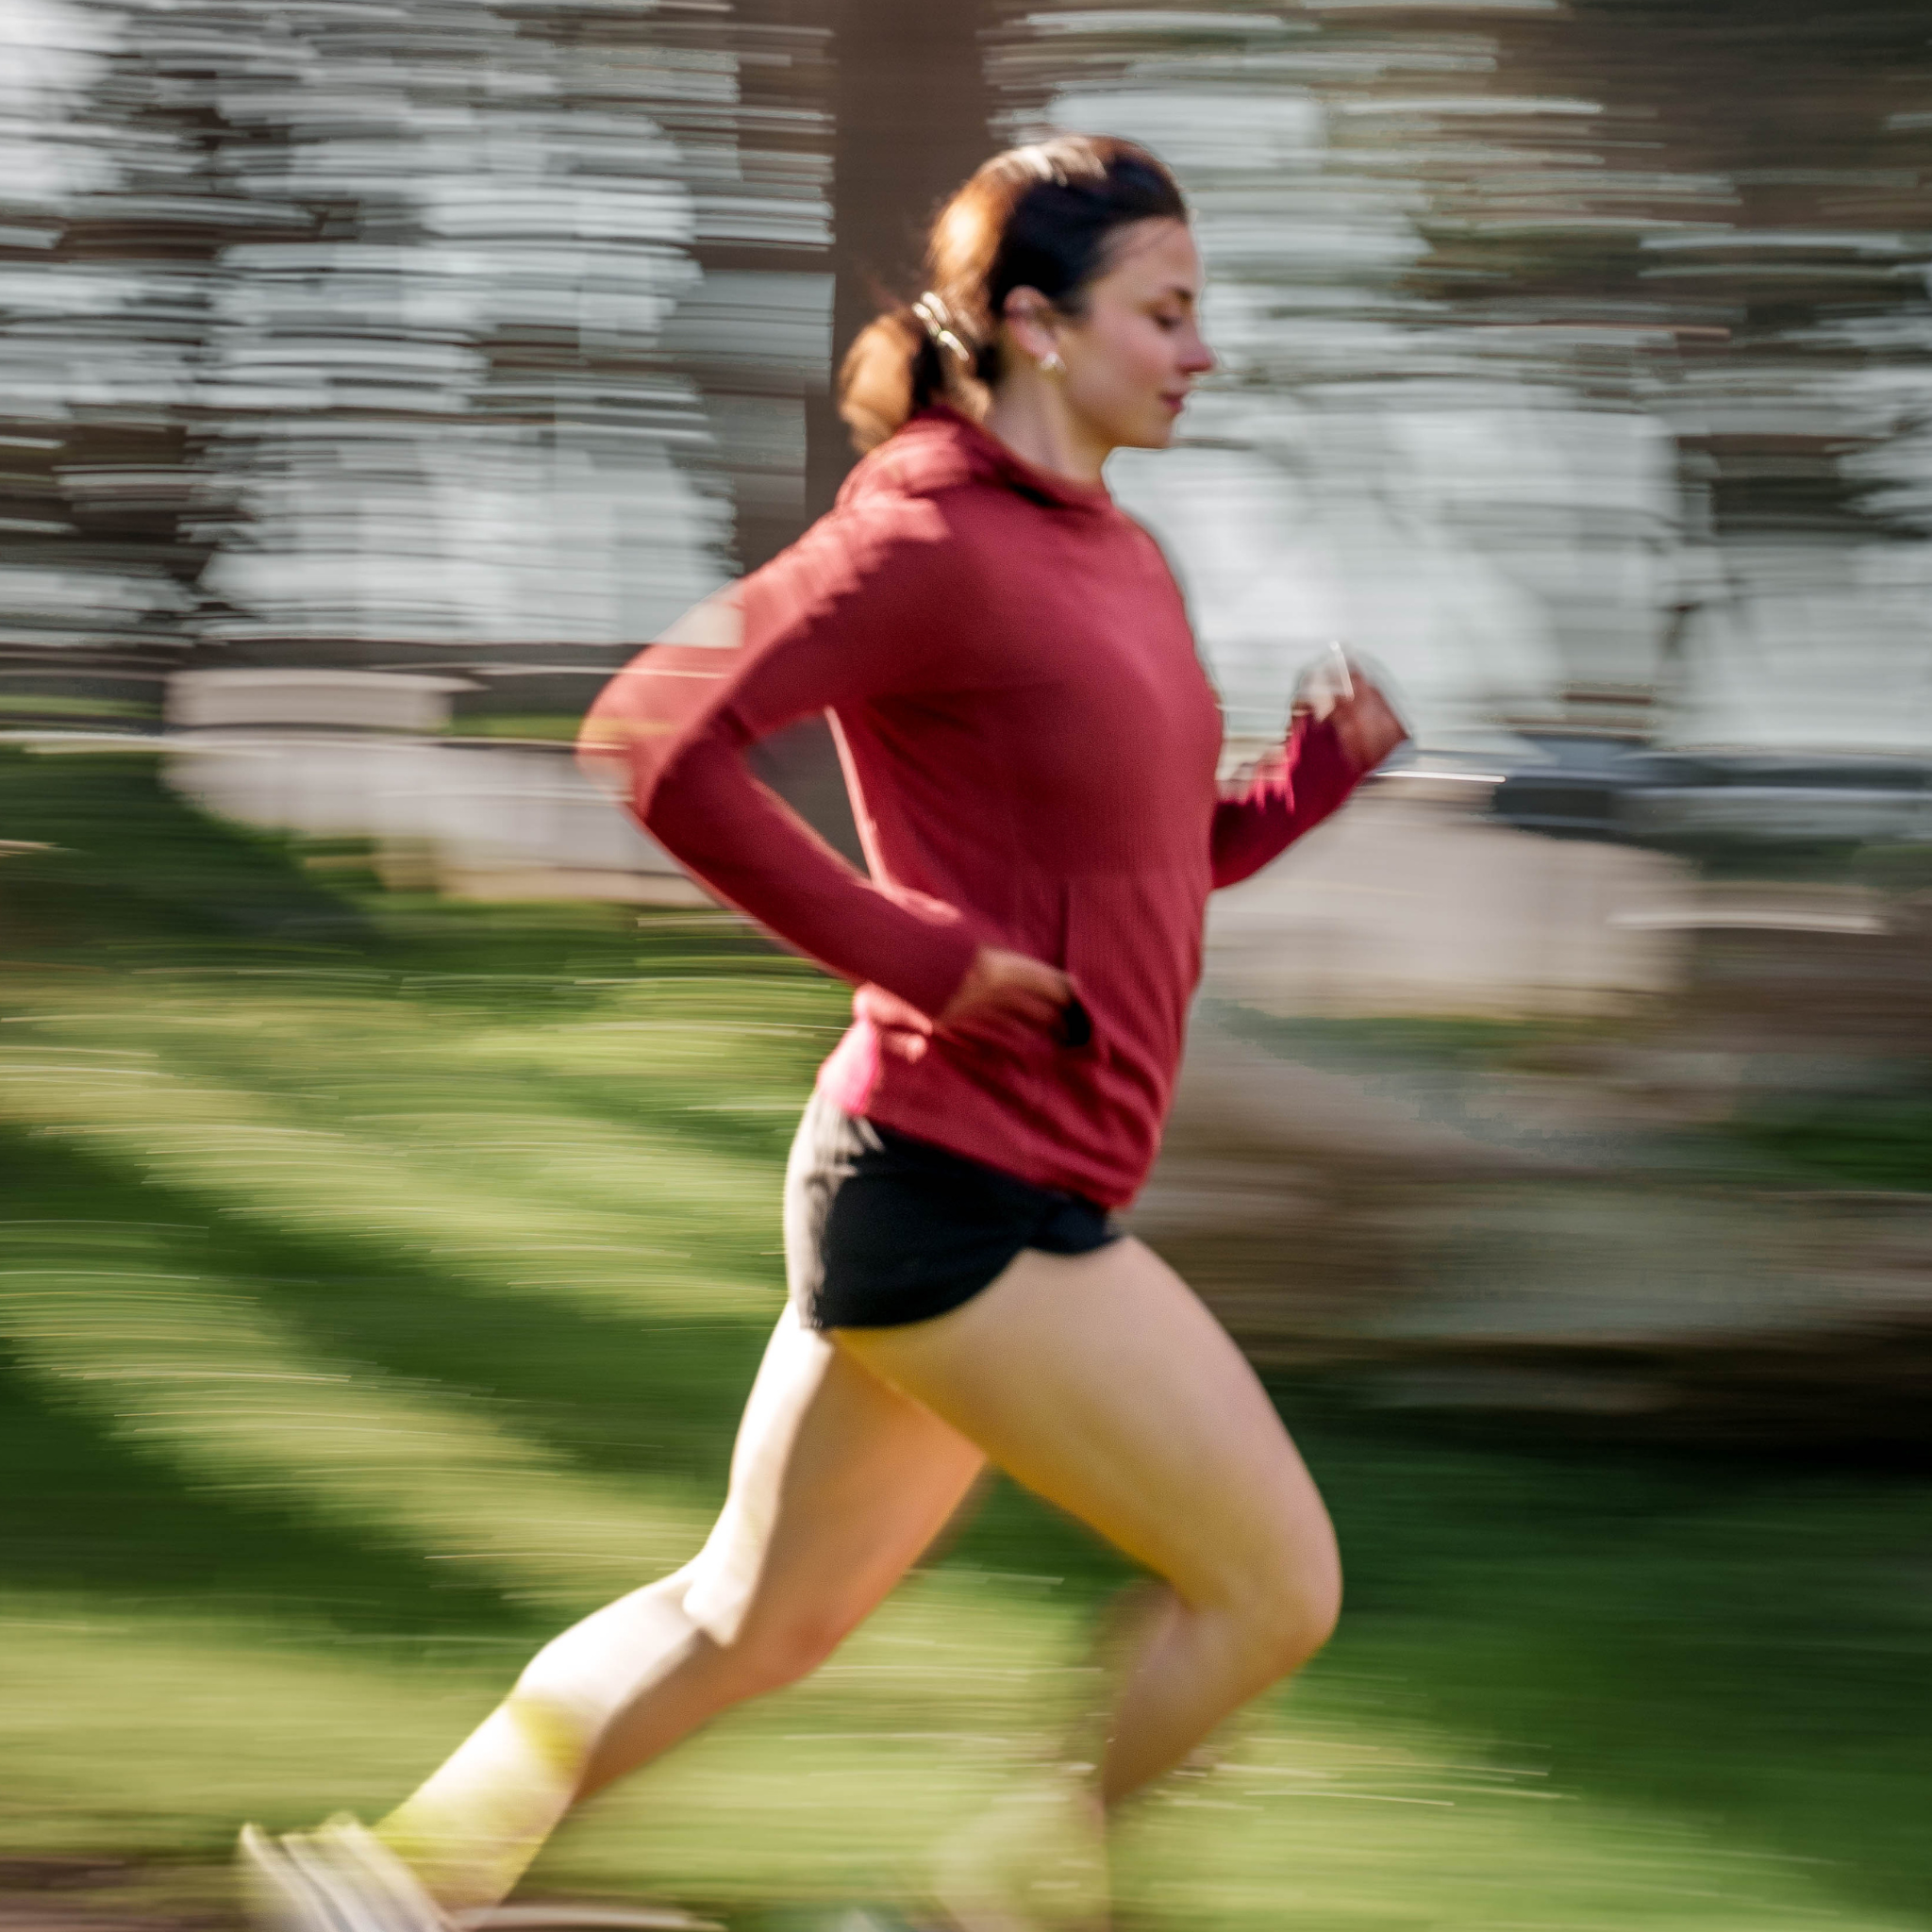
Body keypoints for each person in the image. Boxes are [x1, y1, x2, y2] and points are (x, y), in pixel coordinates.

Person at [240, 134, 1407, 1932]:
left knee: (747, 1619)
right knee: (1275, 1588)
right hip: (963, 1182)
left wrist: (1304, 787)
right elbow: (652, 739)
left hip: (961, 1182)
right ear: (1035, 324)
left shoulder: (1116, 556)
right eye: (1163, 313)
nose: (1200, 351)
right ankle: (987, 1907)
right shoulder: (925, 529)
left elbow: (1142, 865)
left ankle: (395, 1880)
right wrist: (919, 956)